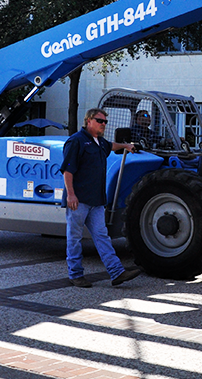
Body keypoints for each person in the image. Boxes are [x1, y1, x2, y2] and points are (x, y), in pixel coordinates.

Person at [61, 108, 142, 287]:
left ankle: (116, 273)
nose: (103, 124)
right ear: (89, 121)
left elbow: (111, 145)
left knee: (101, 236)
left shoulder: (99, 142)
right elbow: (67, 170)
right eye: (100, 121)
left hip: (96, 200)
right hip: (79, 200)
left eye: (105, 121)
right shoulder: (76, 141)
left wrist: (126, 146)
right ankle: (75, 274)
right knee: (74, 238)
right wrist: (71, 195)